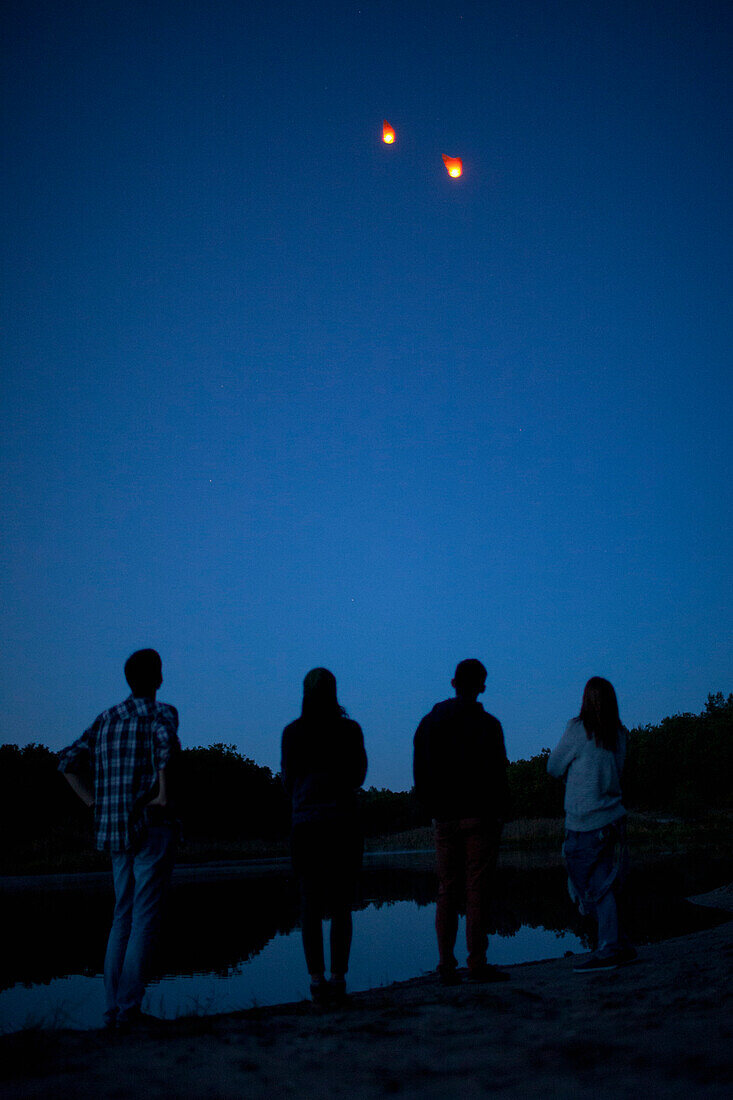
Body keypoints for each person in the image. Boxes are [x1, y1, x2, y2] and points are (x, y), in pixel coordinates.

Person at [58, 648, 180, 1029]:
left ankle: (113, 1007)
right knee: (143, 917)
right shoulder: (161, 713)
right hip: (148, 824)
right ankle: (129, 1009)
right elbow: (165, 748)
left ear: (129, 680)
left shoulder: (106, 719)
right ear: (157, 678)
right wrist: (162, 794)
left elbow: (66, 762)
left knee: (121, 916)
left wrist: (92, 802)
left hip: (112, 828)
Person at [413, 659, 510, 985]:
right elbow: (499, 772)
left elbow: (420, 770)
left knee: (447, 890)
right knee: (476, 890)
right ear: (481, 686)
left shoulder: (430, 723)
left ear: (454, 682)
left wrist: (433, 807)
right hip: (479, 815)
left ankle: (446, 965)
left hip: (445, 817)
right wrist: (498, 810)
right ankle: (476, 963)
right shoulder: (489, 725)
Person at [281, 668, 367, 1005]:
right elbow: (359, 775)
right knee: (342, 905)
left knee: (310, 904)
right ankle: (338, 978)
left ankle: (317, 982)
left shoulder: (293, 732)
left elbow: (287, 780)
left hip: (305, 825)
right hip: (343, 823)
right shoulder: (349, 730)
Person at [547, 676, 636, 972]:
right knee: (602, 882)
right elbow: (620, 772)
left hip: (585, 821)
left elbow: (553, 766)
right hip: (611, 819)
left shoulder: (577, 729)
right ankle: (618, 941)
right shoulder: (620, 734)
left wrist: (570, 777)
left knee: (592, 884)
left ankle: (610, 946)